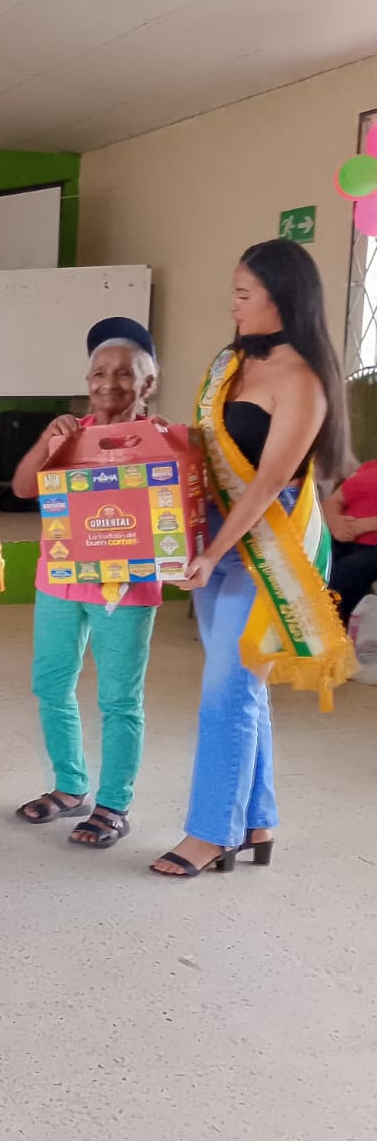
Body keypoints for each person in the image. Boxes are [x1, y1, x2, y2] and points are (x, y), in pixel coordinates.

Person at [153, 240, 355, 877]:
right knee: (242, 686)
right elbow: (205, 444)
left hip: (266, 548)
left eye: (245, 294)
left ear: (283, 299)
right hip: (213, 537)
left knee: (227, 691)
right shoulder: (231, 361)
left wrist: (213, 551)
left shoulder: (303, 382)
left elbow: (268, 482)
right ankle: (257, 819)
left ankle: (211, 833)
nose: (233, 305)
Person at [10, 318, 163, 847]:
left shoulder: (159, 439)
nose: (109, 383)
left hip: (127, 586)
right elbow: (24, 487)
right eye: (99, 372)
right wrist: (49, 442)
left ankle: (114, 803)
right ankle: (70, 787)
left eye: (124, 373)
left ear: (148, 383)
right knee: (52, 685)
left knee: (120, 698)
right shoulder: (69, 432)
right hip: (59, 578)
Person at [324, 458, 377, 625]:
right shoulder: (370, 467)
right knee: (312, 566)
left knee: (338, 577)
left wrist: (361, 526)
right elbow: (334, 500)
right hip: (340, 538)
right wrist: (334, 521)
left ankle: (327, 632)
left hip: (372, 548)